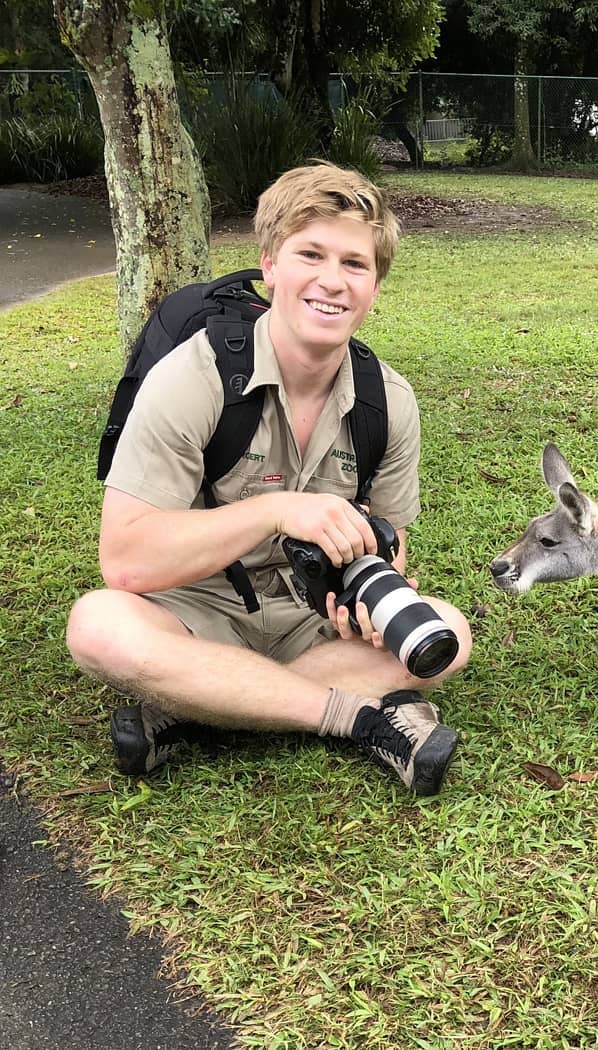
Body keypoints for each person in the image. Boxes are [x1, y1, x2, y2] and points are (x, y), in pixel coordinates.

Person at [66, 162, 471, 796]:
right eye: (310, 254)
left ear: (375, 284)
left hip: (306, 620)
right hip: (197, 608)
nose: (331, 282)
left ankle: (201, 709)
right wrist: (275, 511)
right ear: (270, 265)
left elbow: (391, 540)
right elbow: (124, 560)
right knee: (98, 625)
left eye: (355, 264)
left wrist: (363, 593)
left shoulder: (388, 401)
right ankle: (355, 719)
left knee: (445, 632)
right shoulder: (192, 379)